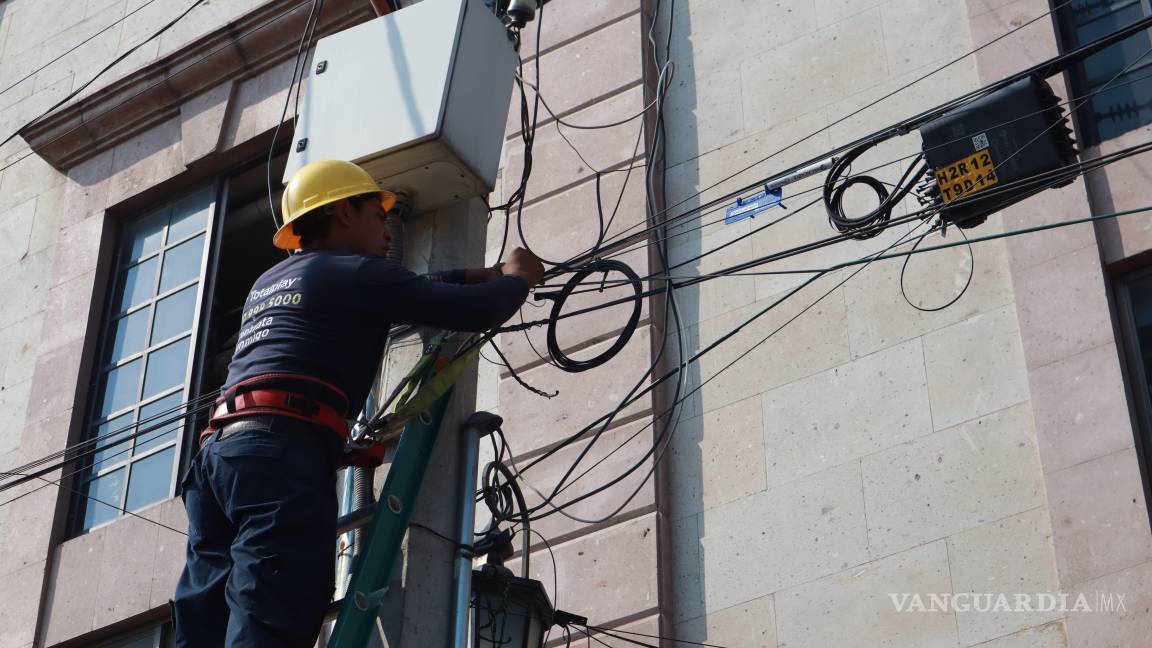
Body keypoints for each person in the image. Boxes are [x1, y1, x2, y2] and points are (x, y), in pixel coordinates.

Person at [171, 159, 544, 647]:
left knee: (205, 618)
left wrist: (480, 272)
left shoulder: (274, 280)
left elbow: (418, 287)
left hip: (217, 462)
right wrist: (516, 279)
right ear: (344, 212)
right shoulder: (359, 274)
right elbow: (476, 311)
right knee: (272, 606)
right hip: (278, 457)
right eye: (377, 216)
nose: (388, 231)